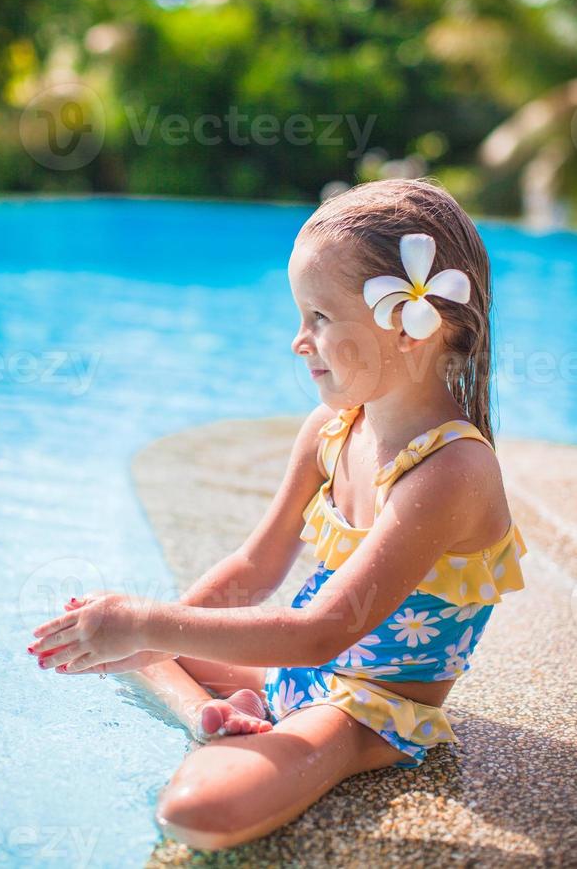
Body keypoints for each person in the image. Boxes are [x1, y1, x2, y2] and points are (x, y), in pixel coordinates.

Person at [27, 178, 527, 852]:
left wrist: (147, 625)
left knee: (196, 812)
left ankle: (235, 721)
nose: (299, 341)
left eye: (319, 318)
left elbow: (323, 632)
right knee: (146, 645)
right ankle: (211, 717)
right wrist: (147, 636)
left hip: (361, 707)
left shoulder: (451, 472)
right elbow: (254, 567)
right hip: (292, 670)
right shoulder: (332, 429)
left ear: (410, 329)